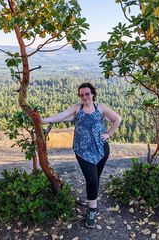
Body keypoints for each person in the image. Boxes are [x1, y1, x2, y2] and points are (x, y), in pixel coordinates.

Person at [41, 82, 121, 228]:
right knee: (91, 180)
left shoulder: (100, 108)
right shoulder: (77, 108)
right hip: (83, 151)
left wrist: (109, 133)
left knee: (95, 179)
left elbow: (117, 119)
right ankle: (92, 209)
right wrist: (43, 120)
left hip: (101, 149)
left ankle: (93, 204)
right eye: (82, 94)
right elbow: (62, 115)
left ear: (93, 94)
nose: (85, 97)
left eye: (87, 94)